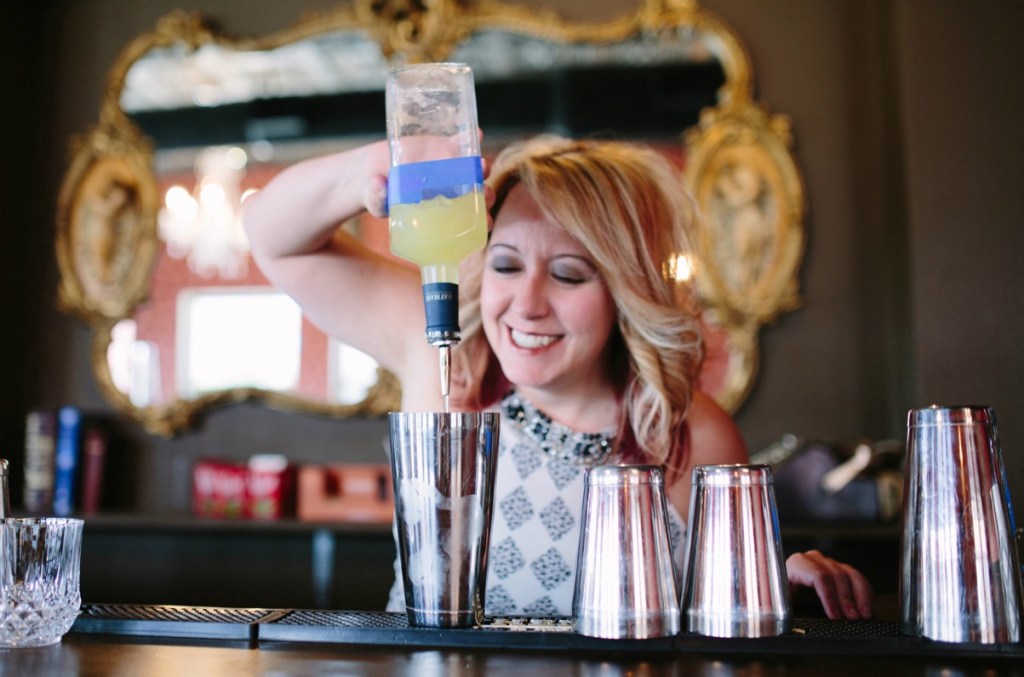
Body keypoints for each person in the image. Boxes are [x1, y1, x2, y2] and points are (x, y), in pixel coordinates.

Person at [243, 134, 874, 620]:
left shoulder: (692, 435)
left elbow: (719, 620)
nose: (527, 304)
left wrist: (779, 582)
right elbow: (274, 238)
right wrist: (370, 169)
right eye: (506, 265)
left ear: (626, 291)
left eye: (569, 274)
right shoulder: (443, 355)